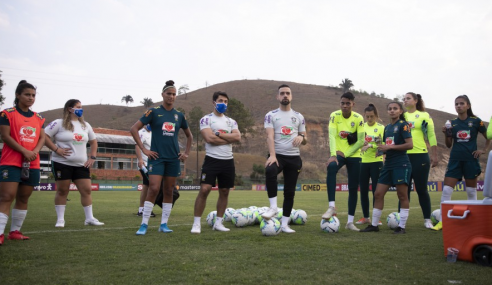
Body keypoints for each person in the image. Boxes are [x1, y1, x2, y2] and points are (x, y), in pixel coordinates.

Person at [130, 80, 192, 235]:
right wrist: (144, 149)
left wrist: (186, 154)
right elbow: (134, 129)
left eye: (174, 94)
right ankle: (144, 224)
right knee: (153, 188)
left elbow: (189, 136)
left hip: (173, 159)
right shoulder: (153, 112)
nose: (171, 96)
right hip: (157, 158)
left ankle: (163, 224)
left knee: (169, 190)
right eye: (168, 93)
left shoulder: (179, 115)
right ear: (162, 94)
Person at [432, 95, 490, 231]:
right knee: (446, 189)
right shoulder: (451, 123)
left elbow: (488, 137)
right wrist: (446, 134)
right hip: (455, 160)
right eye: (456, 104)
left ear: (468, 106)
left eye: (461, 103)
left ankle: (473, 222)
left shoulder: (476, 121)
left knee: (471, 191)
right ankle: (443, 221)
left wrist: (484, 150)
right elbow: (448, 145)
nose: (458, 106)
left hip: (470, 160)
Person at [44, 99, 103, 228]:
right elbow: (44, 136)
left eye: (81, 107)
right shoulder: (58, 123)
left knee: (86, 190)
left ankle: (89, 218)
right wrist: (56, 149)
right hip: (61, 163)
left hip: (81, 164)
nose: (81, 109)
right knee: (63, 191)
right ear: (70, 109)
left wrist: (92, 157)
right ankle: (60, 219)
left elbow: (93, 142)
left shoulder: (85, 125)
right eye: (78, 107)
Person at [0, 80, 46, 245]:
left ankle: (15, 231)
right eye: (27, 94)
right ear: (18, 95)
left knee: (23, 197)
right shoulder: (7, 114)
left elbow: (42, 138)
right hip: (11, 162)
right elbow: (5, 136)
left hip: (32, 163)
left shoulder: (38, 118)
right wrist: (24, 151)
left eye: (33, 95)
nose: (31, 98)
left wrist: (34, 152)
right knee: (6, 196)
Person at [191, 91, 241, 234]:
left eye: (225, 101)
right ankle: (196, 224)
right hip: (212, 160)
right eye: (220, 101)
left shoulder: (232, 122)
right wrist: (227, 137)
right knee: (205, 189)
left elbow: (238, 137)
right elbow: (209, 139)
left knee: (225, 191)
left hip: (228, 161)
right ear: (214, 102)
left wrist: (218, 134)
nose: (223, 104)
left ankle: (218, 223)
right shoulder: (206, 120)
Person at [361, 101, 413, 234]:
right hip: (388, 164)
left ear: (400, 111)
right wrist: (377, 148)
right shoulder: (388, 127)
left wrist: (389, 147)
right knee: (378, 193)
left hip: (401, 164)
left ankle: (402, 227)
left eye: (395, 108)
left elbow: (409, 145)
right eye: (390, 109)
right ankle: (374, 225)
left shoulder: (404, 125)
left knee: (402, 195)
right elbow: (385, 147)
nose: (392, 111)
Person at [261, 84, 307, 234]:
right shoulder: (271, 115)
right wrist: (272, 155)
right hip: (278, 155)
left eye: (287, 93)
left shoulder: (299, 116)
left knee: (289, 192)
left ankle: (285, 225)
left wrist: (301, 137)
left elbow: (305, 138)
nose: (285, 95)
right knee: (270, 170)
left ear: (291, 96)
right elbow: (269, 136)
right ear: (278, 97)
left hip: (294, 158)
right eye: (282, 93)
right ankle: (273, 207)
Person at [322, 92, 364, 232]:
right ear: (340, 103)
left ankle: (350, 222)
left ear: (353, 104)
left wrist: (346, 153)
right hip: (338, 153)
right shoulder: (334, 115)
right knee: (332, 167)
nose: (345, 106)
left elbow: (361, 141)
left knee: (353, 187)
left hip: (354, 154)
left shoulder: (359, 118)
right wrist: (333, 155)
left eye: (348, 103)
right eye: (342, 103)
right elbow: (332, 135)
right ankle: (332, 206)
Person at [401, 92, 438, 228]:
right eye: (403, 99)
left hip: (420, 155)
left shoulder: (424, 115)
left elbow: (432, 135)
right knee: (403, 190)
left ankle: (427, 219)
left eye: (408, 98)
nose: (405, 101)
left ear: (416, 100)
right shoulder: (402, 116)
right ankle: (402, 220)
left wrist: (434, 155)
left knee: (422, 189)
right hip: (404, 156)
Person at [356, 104, 384, 225]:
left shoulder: (380, 128)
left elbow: (381, 146)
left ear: (376, 116)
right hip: (363, 162)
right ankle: (366, 217)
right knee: (363, 190)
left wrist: (370, 145)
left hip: (376, 162)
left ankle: (376, 218)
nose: (369, 119)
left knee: (376, 192)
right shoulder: (362, 128)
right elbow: (358, 142)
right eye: (367, 116)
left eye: (371, 116)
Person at [135, 123, 155, 217]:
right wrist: (140, 159)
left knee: (147, 185)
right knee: (150, 184)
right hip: (144, 164)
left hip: (153, 164)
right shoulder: (141, 133)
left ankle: (142, 209)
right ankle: (144, 209)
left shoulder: (154, 133)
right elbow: (137, 146)